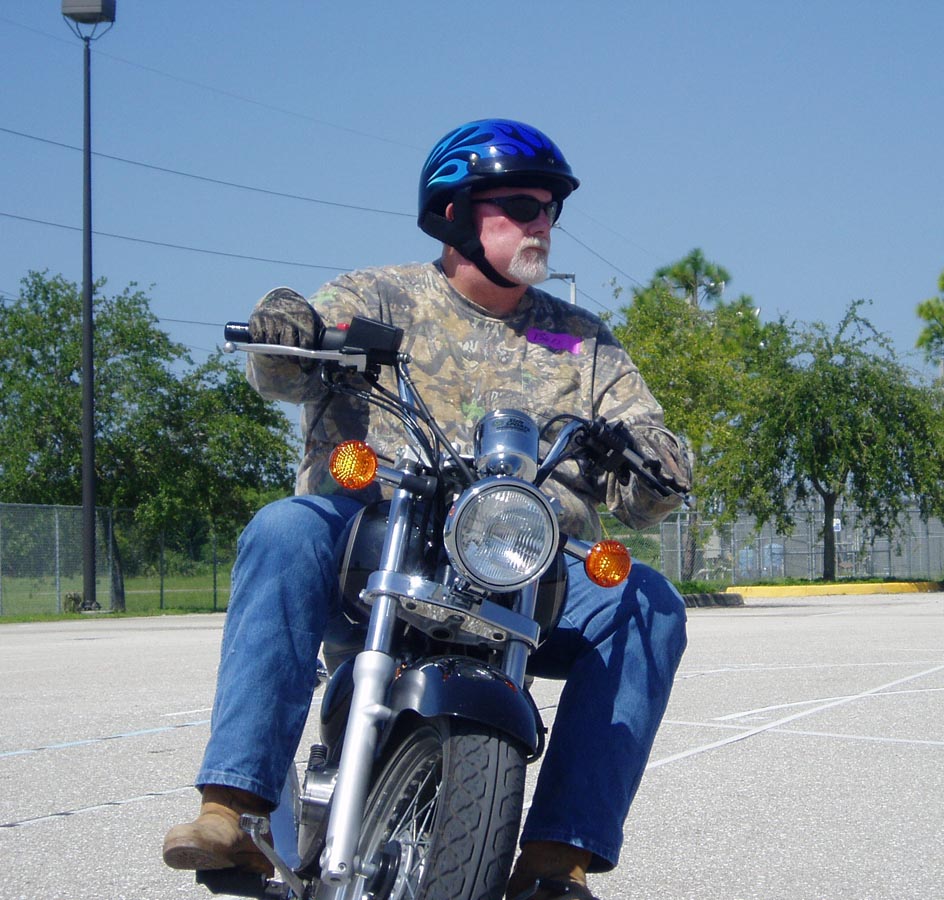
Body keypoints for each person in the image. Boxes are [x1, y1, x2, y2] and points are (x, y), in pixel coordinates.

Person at [162, 118, 692, 900]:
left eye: (550, 208)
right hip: (373, 540)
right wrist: (285, 324)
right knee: (282, 528)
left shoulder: (581, 342)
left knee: (648, 603)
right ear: (454, 213)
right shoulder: (379, 297)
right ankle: (231, 808)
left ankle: (558, 858)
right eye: (521, 205)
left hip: (522, 567)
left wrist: (657, 457)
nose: (542, 222)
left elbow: (647, 485)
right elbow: (280, 369)